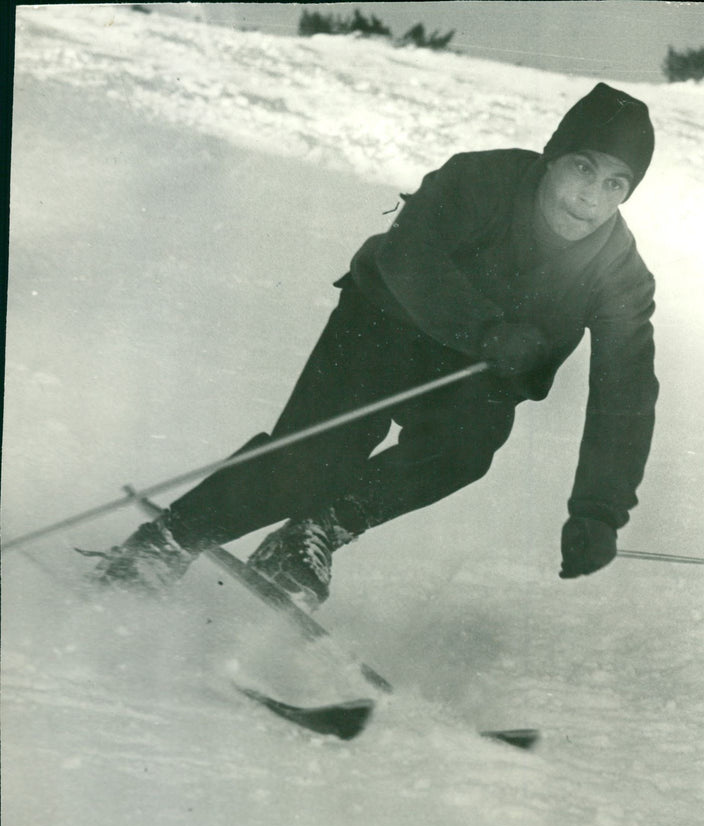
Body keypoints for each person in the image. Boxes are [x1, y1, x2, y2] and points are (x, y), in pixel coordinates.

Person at [86, 82, 658, 610]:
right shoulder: (480, 180)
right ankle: (166, 541)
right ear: (552, 157)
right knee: (312, 459)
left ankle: (314, 533)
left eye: (616, 184)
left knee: (468, 446)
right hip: (384, 320)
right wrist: (486, 327)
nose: (591, 198)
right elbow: (409, 254)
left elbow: (625, 394)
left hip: (472, 369)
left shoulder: (620, 275)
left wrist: (598, 510)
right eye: (583, 168)